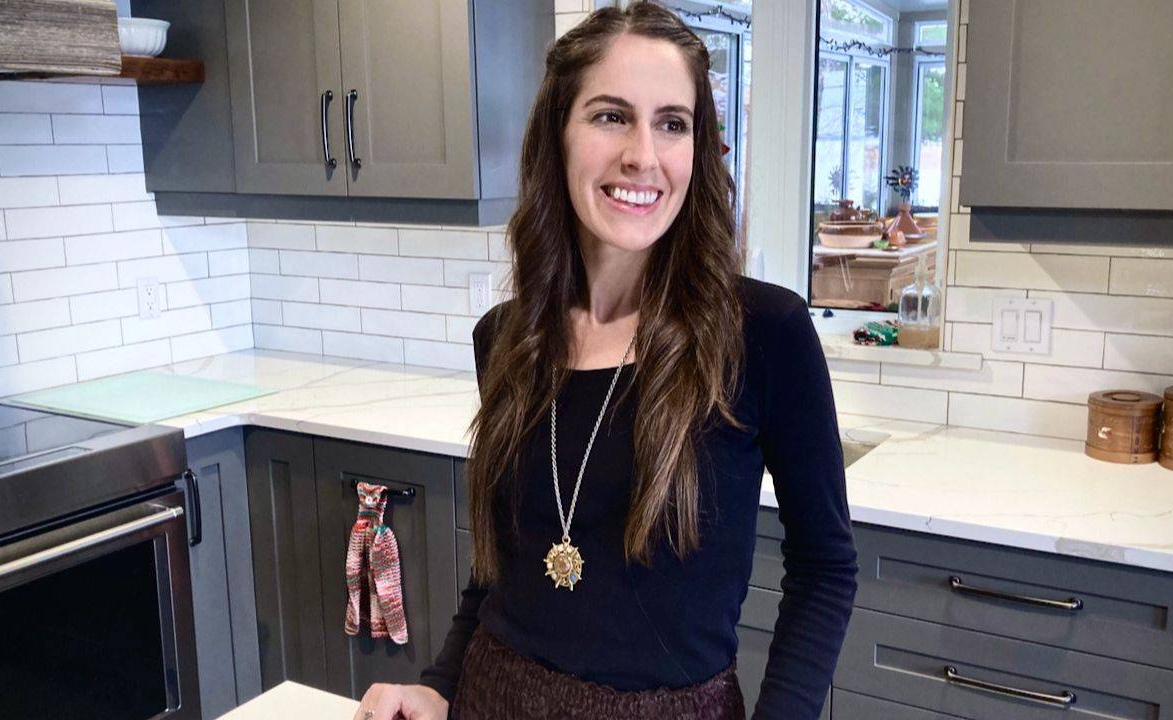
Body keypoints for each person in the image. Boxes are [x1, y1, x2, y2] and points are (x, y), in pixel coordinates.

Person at [353, 3, 856, 719]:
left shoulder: (763, 334)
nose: (643, 155)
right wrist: (438, 686)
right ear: (557, 137)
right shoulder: (507, 338)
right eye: (612, 116)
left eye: (672, 123)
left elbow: (825, 570)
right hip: (493, 699)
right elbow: (500, 570)